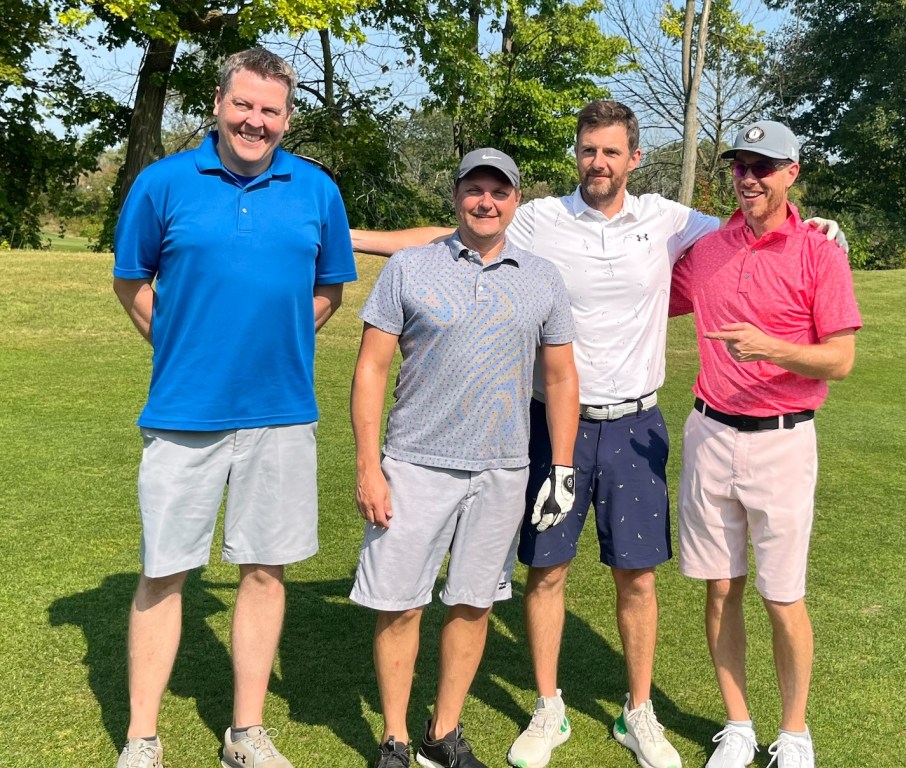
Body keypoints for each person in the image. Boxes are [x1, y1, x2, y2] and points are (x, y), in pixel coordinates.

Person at [350, 101, 844, 768]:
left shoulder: (670, 222)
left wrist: (813, 225)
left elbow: (751, 221)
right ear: (576, 154)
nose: (599, 162)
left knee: (636, 577)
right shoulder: (539, 218)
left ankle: (638, 712)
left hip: (637, 423)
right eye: (589, 150)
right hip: (554, 422)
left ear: (634, 159)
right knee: (546, 569)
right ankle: (548, 706)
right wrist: (345, 233)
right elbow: (455, 231)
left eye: (612, 152)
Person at [111, 48, 357, 768]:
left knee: (263, 568)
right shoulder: (161, 185)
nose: (256, 121)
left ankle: (245, 732)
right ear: (218, 104)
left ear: (287, 116)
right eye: (243, 105)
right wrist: (185, 344)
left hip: (281, 411)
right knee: (164, 569)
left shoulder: (317, 191)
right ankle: (142, 737)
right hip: (184, 411)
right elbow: (131, 283)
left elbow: (329, 290)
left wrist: (267, 343)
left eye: (270, 110)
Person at [349, 148, 579, 768]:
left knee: (473, 603)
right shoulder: (409, 267)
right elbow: (371, 368)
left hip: (503, 469)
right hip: (415, 462)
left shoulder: (541, 278)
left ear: (516, 200)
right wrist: (369, 466)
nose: (486, 201)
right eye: (474, 189)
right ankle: (395, 739)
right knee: (400, 605)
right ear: (455, 197)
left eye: (499, 191)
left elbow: (559, 379)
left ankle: (441, 734)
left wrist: (560, 467)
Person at [668, 120, 861, 768]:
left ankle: (795, 733)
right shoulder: (707, 249)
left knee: (783, 598)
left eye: (763, 167)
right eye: (740, 167)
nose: (748, 178)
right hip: (711, 434)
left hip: (783, 441)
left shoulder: (819, 252)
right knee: (720, 589)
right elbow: (641, 292)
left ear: (791, 174)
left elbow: (840, 359)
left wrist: (770, 347)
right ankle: (739, 725)